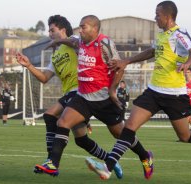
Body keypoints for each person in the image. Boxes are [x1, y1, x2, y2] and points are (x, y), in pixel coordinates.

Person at [87, 1, 191, 180]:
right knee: (129, 127)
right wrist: (126, 61)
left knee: (185, 136)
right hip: (154, 92)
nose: (155, 18)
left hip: (175, 95)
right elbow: (151, 52)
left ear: (168, 16)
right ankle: (107, 167)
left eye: (158, 15)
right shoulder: (162, 35)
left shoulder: (179, 34)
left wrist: (188, 63)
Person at [36, 15, 150, 178]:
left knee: (120, 134)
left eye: (84, 27)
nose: (80, 30)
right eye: (80, 27)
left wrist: (112, 90)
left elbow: (119, 67)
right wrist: (58, 41)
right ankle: (53, 163)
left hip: (103, 98)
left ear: (95, 29)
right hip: (83, 96)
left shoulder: (104, 43)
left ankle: (145, 156)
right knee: (63, 121)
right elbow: (71, 42)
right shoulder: (79, 42)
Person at [16, 15, 126, 178]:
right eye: (49, 31)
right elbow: (44, 78)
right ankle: (111, 159)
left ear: (63, 30)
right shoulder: (55, 55)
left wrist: (61, 40)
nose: (50, 33)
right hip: (71, 95)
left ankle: (51, 161)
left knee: (50, 115)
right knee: (81, 140)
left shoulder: (76, 41)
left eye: (52, 30)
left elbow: (80, 45)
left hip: (81, 92)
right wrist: (29, 65)